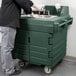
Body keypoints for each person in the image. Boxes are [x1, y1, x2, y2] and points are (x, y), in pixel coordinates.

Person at [0, 0, 42, 76]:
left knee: (4, 47)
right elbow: (23, 2)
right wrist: (32, 12)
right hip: (9, 23)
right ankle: (9, 70)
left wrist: (33, 8)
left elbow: (24, 1)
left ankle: (6, 67)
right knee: (7, 48)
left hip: (4, 22)